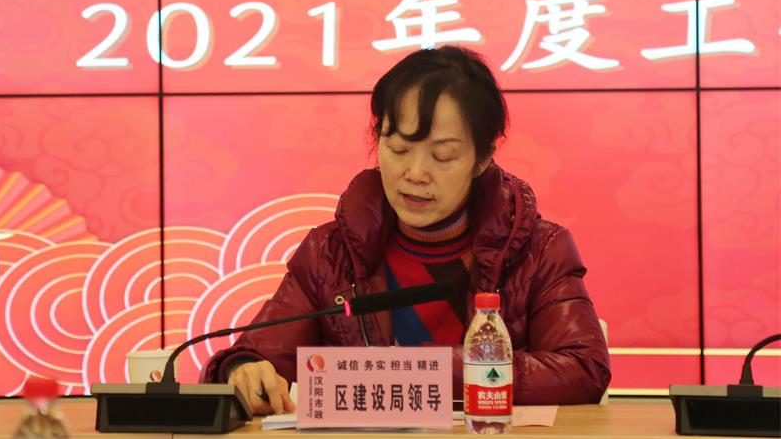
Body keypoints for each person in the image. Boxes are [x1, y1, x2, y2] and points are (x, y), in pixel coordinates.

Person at [201, 46, 611, 415]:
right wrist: (243, 369)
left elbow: (583, 369)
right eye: (398, 149)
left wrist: (423, 371)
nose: (415, 174)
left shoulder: (539, 249)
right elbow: (255, 354)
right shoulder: (329, 252)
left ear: (484, 157)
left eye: (443, 156)